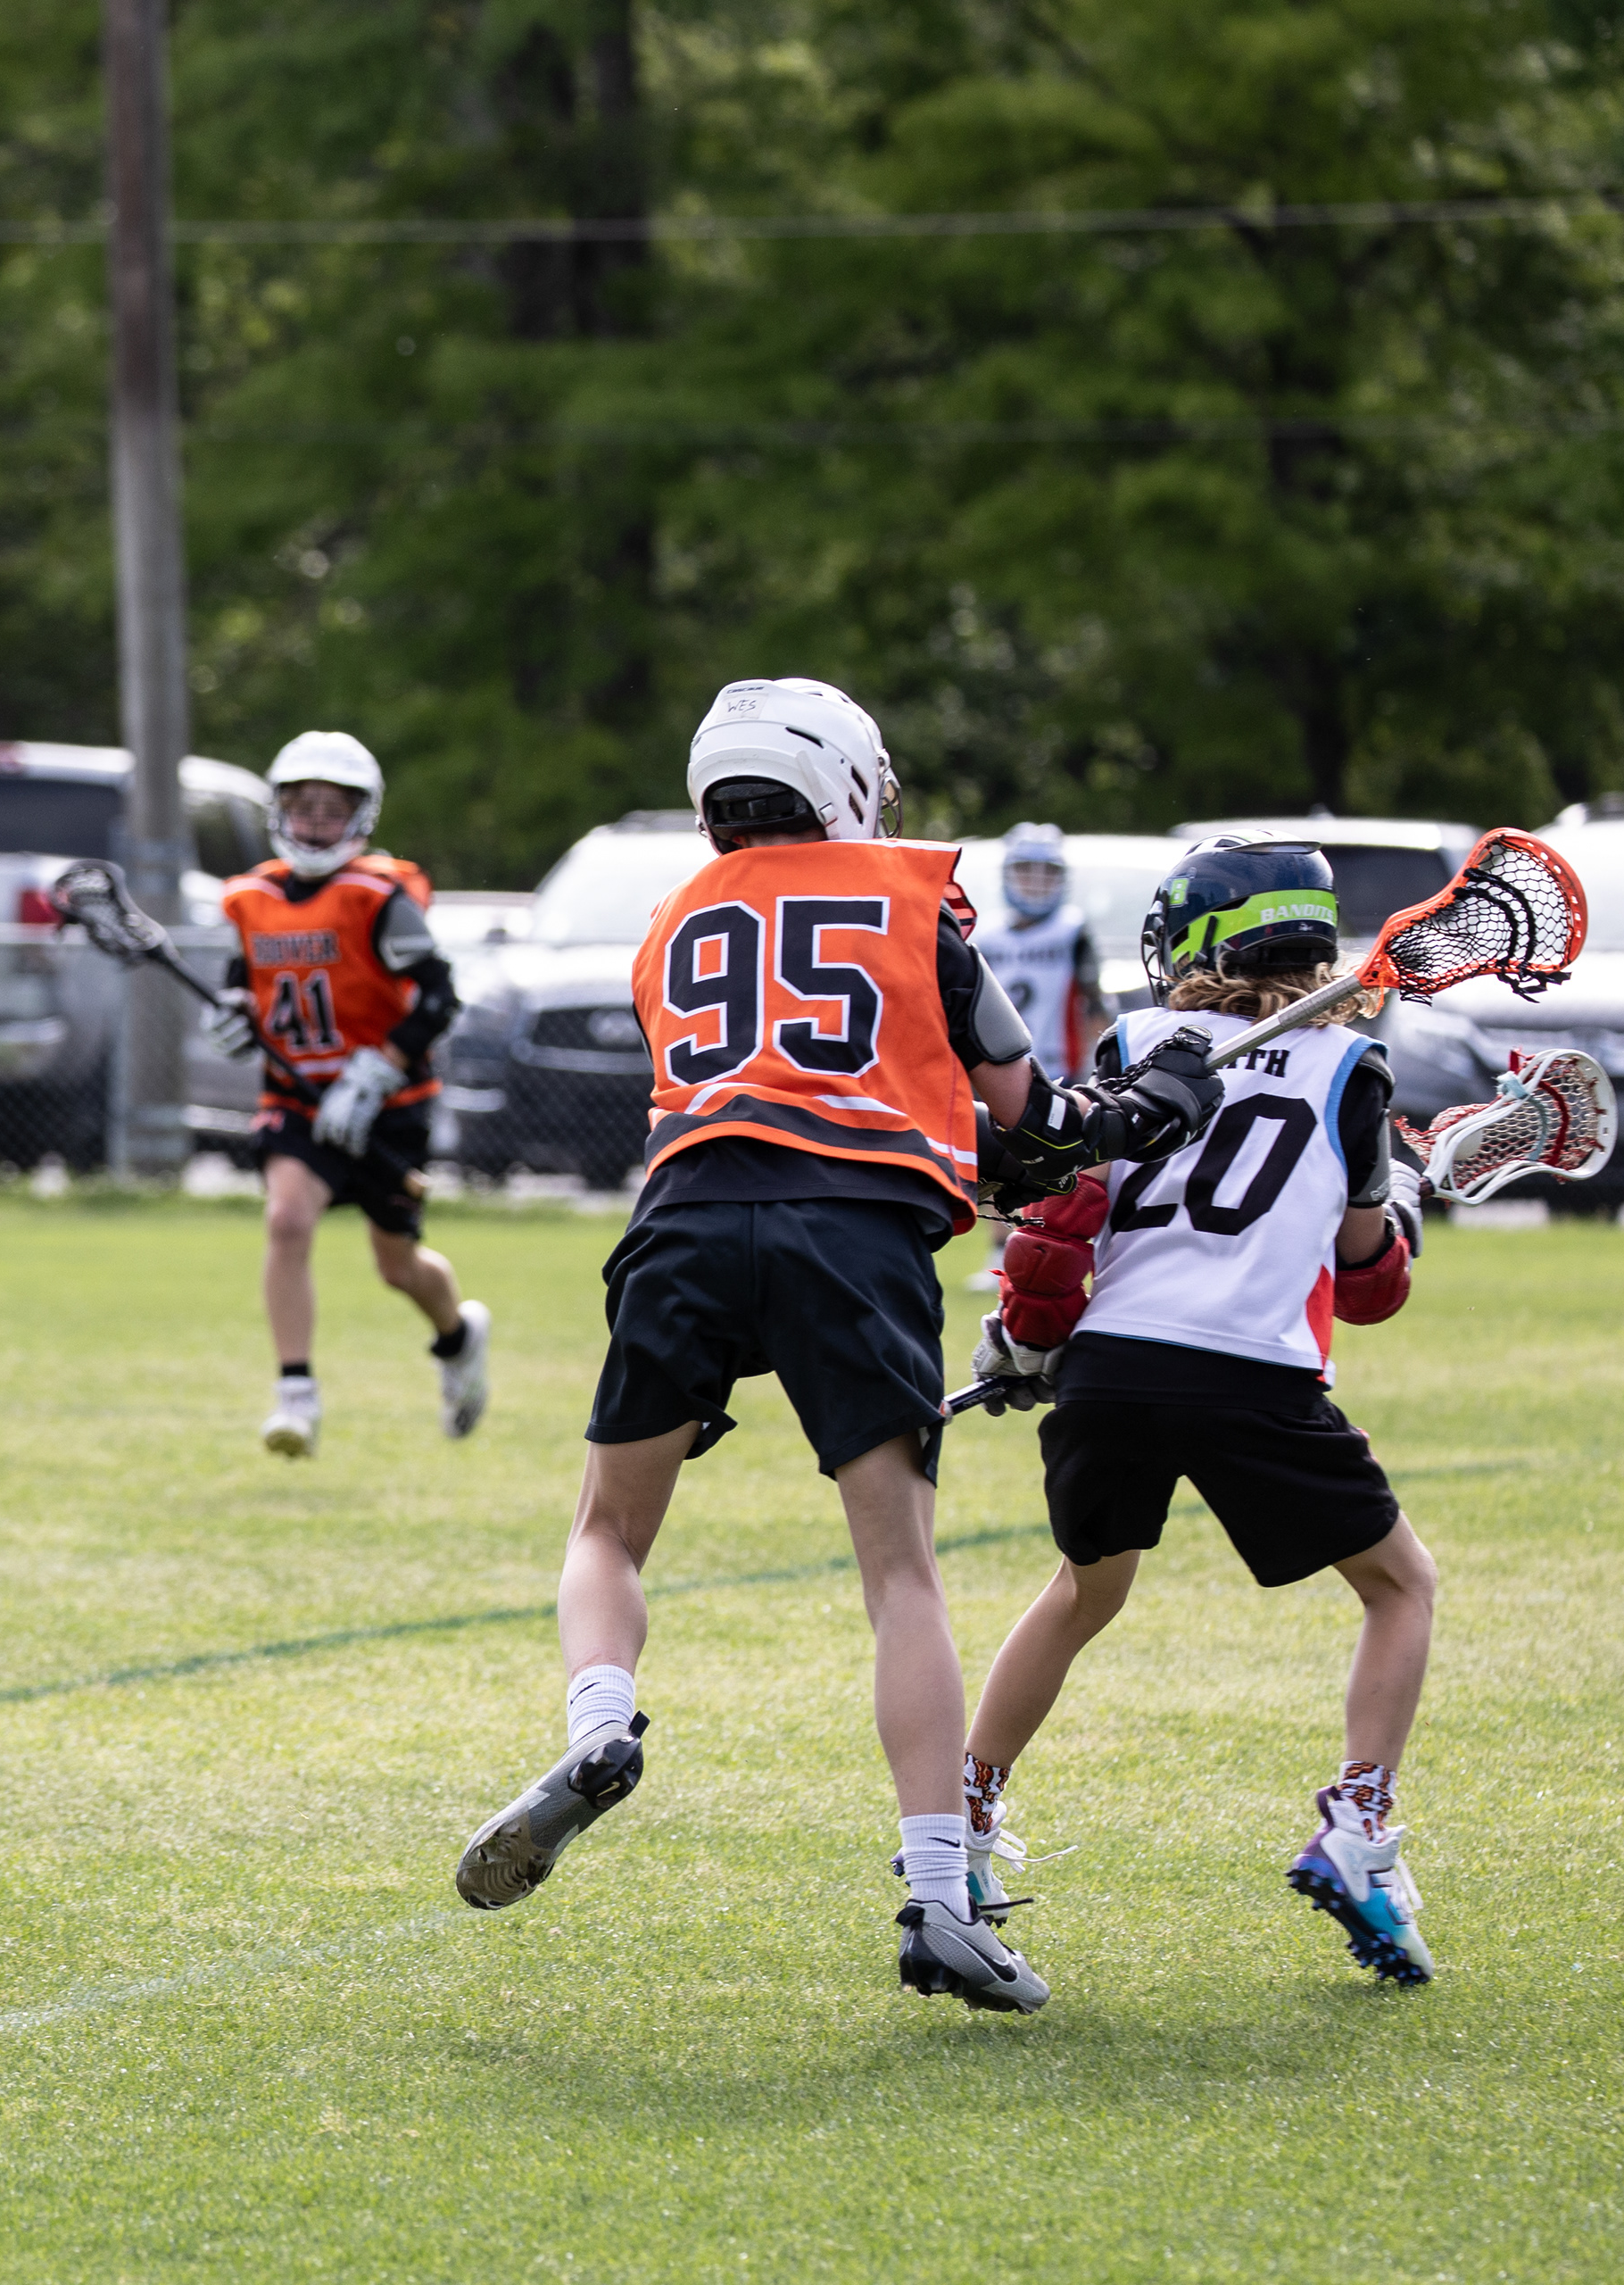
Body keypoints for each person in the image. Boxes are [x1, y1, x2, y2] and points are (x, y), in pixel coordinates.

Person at [449, 677, 1227, 2015]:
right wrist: (1146, 1107)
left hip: (687, 1221)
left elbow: (782, 1091)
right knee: (900, 1575)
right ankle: (938, 1899)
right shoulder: (918, 904)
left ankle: (599, 1726)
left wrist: (1069, 1130)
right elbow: (1023, 1119)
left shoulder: (669, 923)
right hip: (854, 1237)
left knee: (609, 1531)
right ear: (851, 783)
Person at [959, 835, 1442, 1984]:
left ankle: (960, 1821)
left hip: (1113, 1373)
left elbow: (1059, 1222)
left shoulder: (1133, 1046)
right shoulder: (1352, 1069)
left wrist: (1029, 1343)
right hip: (1252, 1378)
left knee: (1084, 1591)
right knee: (1401, 1587)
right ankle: (1360, 1825)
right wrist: (1397, 1220)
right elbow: (1367, 1285)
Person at [213, 731, 489, 1458]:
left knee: (398, 1266)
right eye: (301, 806)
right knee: (286, 1221)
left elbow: (438, 998)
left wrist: (376, 1070)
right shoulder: (251, 897)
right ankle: (295, 1394)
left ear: (360, 816)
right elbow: (244, 979)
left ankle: (458, 1336)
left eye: (330, 809)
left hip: (386, 1105)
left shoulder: (378, 897)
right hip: (297, 1098)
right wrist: (235, 1013)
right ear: (279, 810)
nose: (313, 822)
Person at [974, 822, 1107, 1081]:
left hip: (1061, 1074)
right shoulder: (987, 936)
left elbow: (1095, 1006)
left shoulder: (1072, 931)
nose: (1037, 881)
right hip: (1000, 1073)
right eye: (1025, 870)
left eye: (1049, 872)